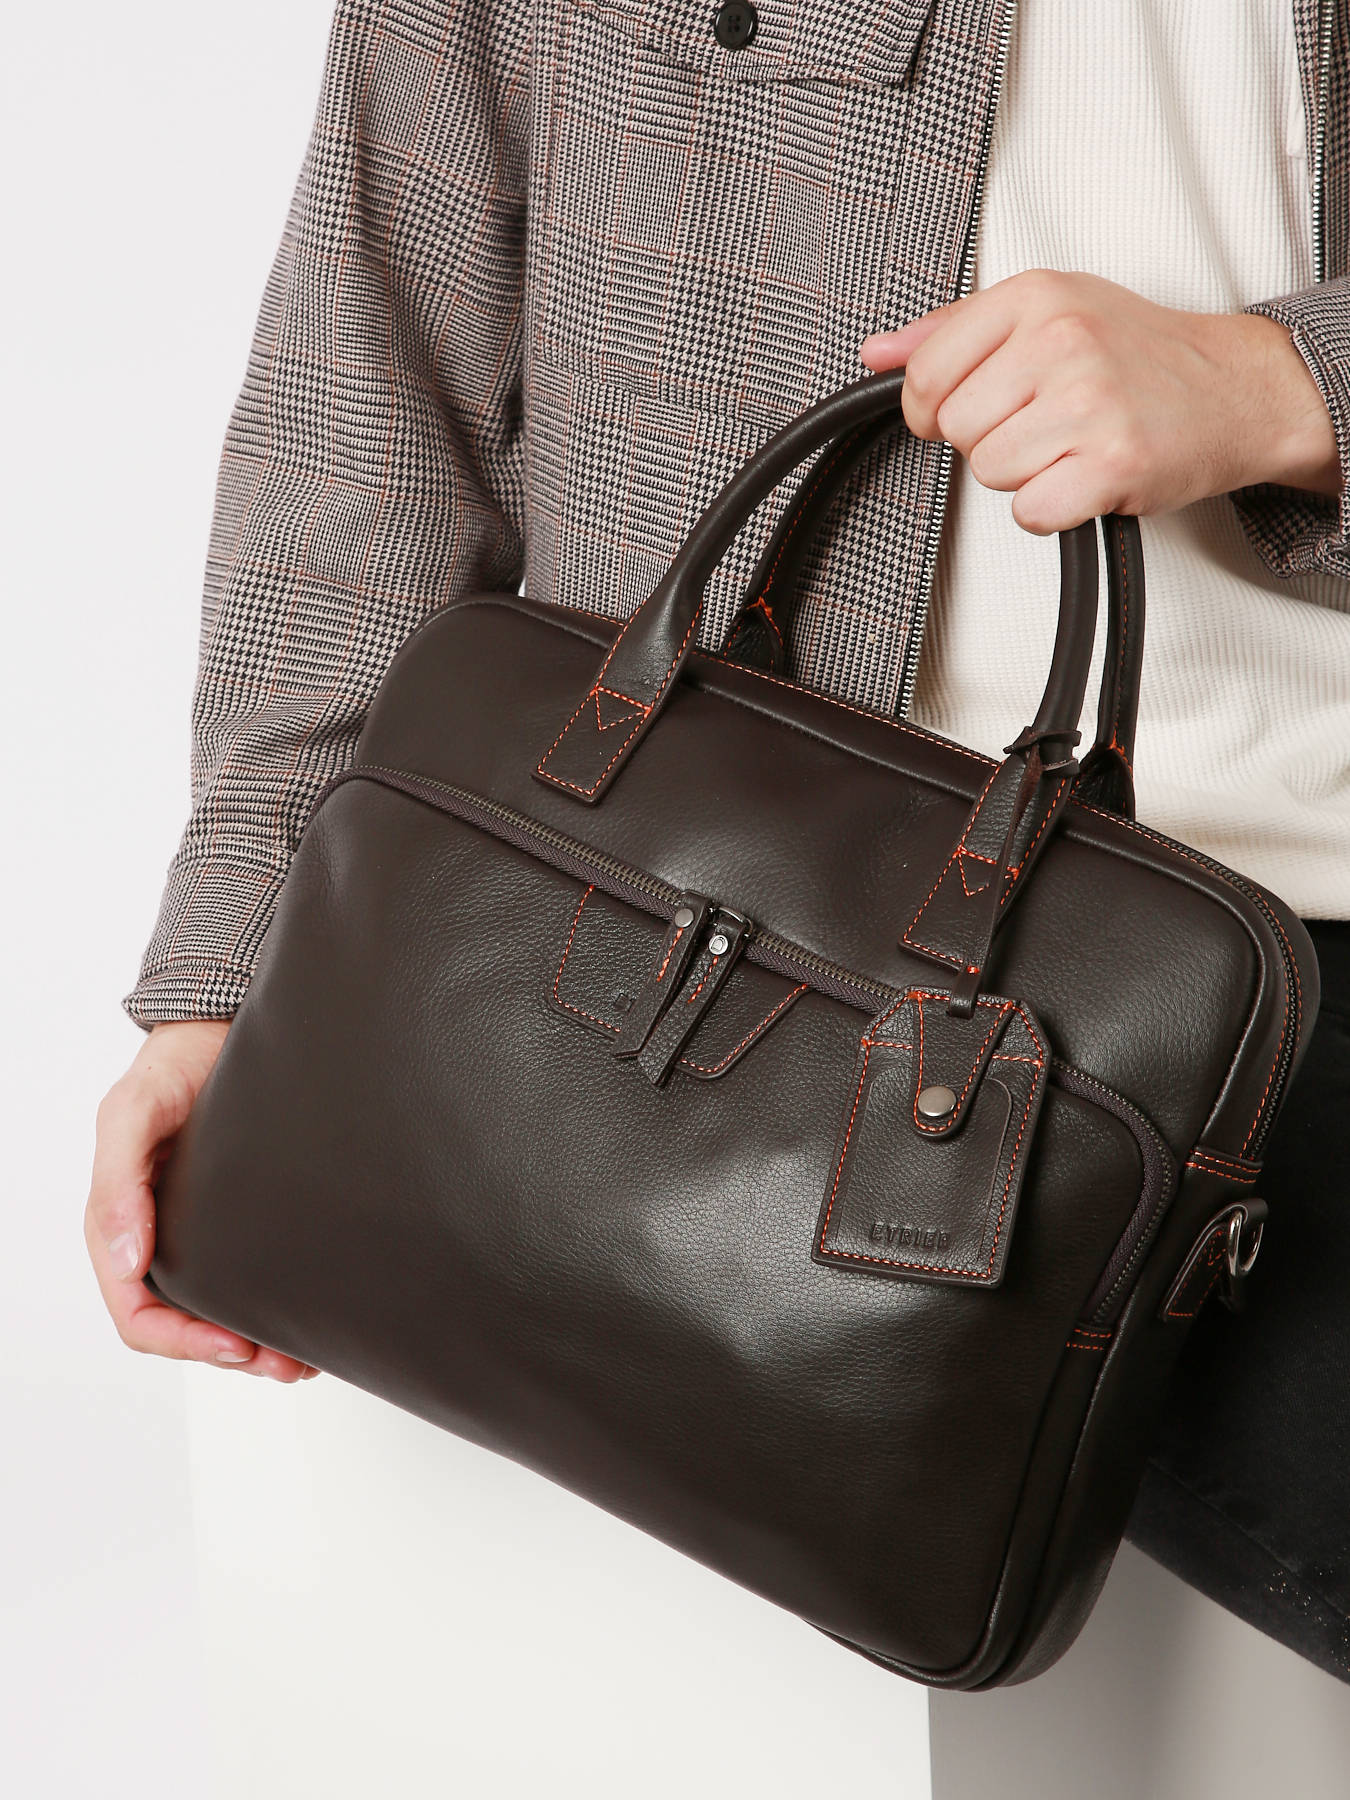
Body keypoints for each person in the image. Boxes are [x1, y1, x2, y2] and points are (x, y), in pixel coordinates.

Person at [87, 0, 1350, 1681]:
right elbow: (372, 394)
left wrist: (1287, 383)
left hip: (1267, 944)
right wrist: (225, 982)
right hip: (675, 900)